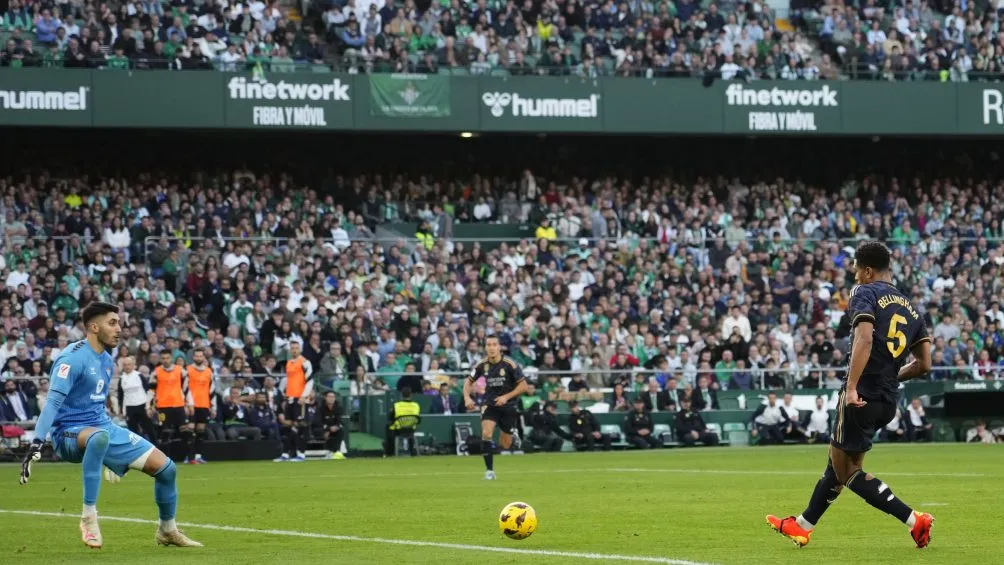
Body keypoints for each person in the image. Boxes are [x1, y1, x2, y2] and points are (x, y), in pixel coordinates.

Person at [768, 241, 935, 549]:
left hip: (862, 393)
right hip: (887, 400)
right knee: (839, 461)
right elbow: (925, 364)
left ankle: (914, 519)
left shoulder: (865, 292)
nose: (856, 276)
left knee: (847, 471)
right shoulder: (912, 308)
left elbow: (864, 338)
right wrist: (891, 376)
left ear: (868, 270)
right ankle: (802, 525)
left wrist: (853, 386)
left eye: (858, 270)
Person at [19, 302, 201, 548]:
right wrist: (37, 443)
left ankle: (167, 530)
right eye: (112, 323)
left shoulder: (107, 360)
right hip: (69, 434)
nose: (119, 329)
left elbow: (96, 407)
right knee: (99, 438)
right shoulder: (71, 359)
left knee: (167, 470)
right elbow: (51, 403)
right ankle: (88, 518)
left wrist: (114, 456)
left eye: (119, 323)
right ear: (94, 327)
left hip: (103, 428)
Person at [463, 335, 527, 480]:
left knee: (505, 444)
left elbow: (524, 386)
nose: (491, 348)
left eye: (494, 345)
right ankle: (489, 471)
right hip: (490, 404)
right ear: (485, 348)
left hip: (508, 405)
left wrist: (506, 397)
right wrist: (467, 398)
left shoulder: (510, 364)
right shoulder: (481, 365)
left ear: (499, 347)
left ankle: (512, 433)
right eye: (488, 345)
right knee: (486, 434)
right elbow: (468, 382)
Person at [275, 342, 313, 461]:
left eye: (296, 348)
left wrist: (304, 396)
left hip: (300, 398)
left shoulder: (305, 362)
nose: (294, 350)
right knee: (288, 426)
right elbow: (289, 381)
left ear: (300, 349)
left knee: (300, 426)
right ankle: (286, 453)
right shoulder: (289, 363)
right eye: (292, 348)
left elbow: (310, 380)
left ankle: (301, 453)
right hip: (290, 398)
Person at [151, 350, 192, 456]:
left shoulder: (181, 371)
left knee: (185, 431)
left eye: (167, 358)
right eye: (163, 358)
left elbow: (186, 389)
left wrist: (189, 404)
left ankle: (188, 457)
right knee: (165, 432)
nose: (165, 360)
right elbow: (151, 390)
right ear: (161, 359)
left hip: (178, 405)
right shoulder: (156, 372)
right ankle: (165, 459)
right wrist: (148, 406)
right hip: (163, 407)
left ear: (172, 359)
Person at [184, 349, 215, 464]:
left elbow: (212, 390)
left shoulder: (208, 371)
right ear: (193, 357)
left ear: (203, 357)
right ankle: (189, 457)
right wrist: (186, 404)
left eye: (200, 356)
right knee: (190, 430)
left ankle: (198, 456)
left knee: (201, 431)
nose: (198, 358)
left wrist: (212, 406)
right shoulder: (188, 370)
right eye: (196, 356)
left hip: (204, 404)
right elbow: (184, 388)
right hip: (191, 404)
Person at [118, 356, 157, 441]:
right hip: (129, 407)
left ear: (133, 365)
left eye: (129, 364)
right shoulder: (121, 379)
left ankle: (156, 449)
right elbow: (120, 396)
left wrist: (149, 406)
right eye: (125, 365)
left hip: (142, 406)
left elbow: (148, 391)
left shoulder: (139, 376)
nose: (127, 367)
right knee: (133, 433)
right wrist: (121, 410)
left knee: (150, 430)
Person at [384, 387, 420, 456]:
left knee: (388, 427)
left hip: (399, 430)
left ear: (401, 395)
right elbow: (418, 419)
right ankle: (411, 450)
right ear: (411, 395)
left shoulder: (397, 405)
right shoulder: (416, 405)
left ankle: (389, 452)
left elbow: (390, 417)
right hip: (411, 429)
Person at [314, 391, 345, 455]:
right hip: (323, 429)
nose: (331, 398)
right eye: (329, 397)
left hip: (334, 429)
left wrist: (336, 426)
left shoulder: (338, 408)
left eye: (333, 397)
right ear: (325, 398)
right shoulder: (320, 409)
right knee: (320, 431)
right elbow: (318, 422)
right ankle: (333, 452)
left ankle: (336, 452)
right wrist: (328, 429)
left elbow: (339, 420)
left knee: (340, 431)